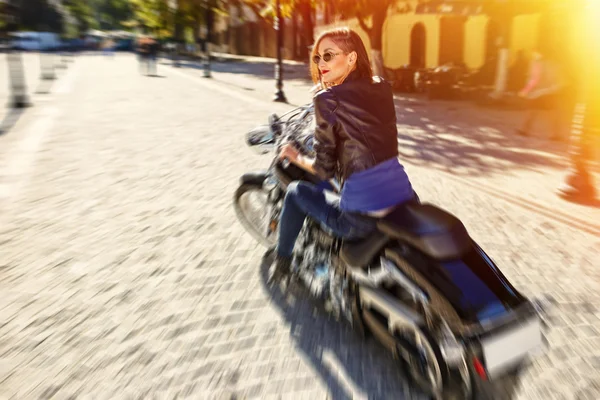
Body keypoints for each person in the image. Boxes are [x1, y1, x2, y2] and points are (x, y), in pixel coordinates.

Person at [270, 27, 415, 282]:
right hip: (404, 197)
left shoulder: (327, 100)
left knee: (295, 192)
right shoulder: (382, 86)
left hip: (361, 219)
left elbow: (324, 169)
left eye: (328, 55)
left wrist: (295, 156)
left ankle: (282, 263)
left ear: (351, 58)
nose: (321, 63)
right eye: (317, 57)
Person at [517, 50, 566, 139]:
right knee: (552, 113)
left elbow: (534, 79)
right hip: (548, 91)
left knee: (532, 111)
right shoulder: (554, 64)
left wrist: (526, 90)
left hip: (538, 91)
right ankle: (554, 134)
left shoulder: (537, 64)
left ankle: (524, 129)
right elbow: (557, 79)